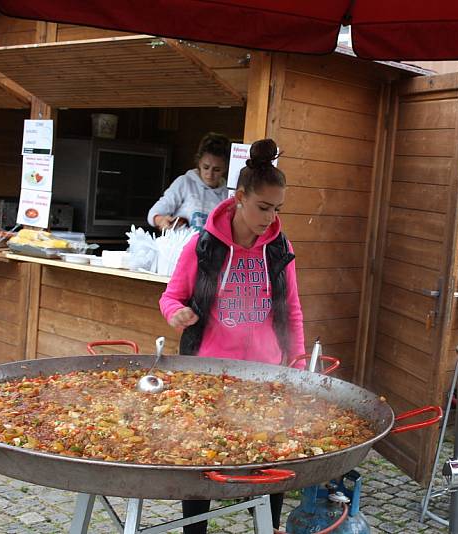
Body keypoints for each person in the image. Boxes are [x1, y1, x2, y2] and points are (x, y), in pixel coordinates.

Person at [159, 138, 305, 534]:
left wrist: (301, 362)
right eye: (262, 207)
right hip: (208, 373)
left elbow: (292, 309)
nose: (269, 217)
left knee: (270, 456)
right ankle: (195, 530)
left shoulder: (279, 248)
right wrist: (178, 313)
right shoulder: (202, 245)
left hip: (265, 373)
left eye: (276, 209)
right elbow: (170, 297)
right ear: (240, 197)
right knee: (203, 458)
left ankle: (267, 526)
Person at [148, 132, 230, 232]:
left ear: (225, 168)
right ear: (198, 162)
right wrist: (160, 220)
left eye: (216, 170)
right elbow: (154, 213)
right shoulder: (184, 183)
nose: (210, 174)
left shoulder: (227, 194)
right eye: (206, 167)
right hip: (181, 244)